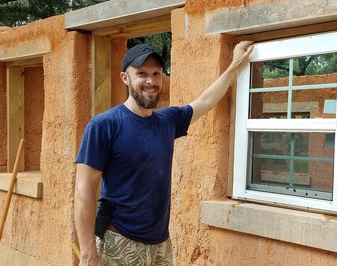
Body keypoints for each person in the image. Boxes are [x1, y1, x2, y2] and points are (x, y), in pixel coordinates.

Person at [74, 41, 254, 266]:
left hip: (161, 245)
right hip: (119, 242)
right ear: (125, 78)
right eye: (141, 74)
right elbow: (83, 189)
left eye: (156, 74)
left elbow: (206, 101)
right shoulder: (104, 125)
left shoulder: (167, 121)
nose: (150, 81)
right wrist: (87, 251)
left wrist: (235, 64)